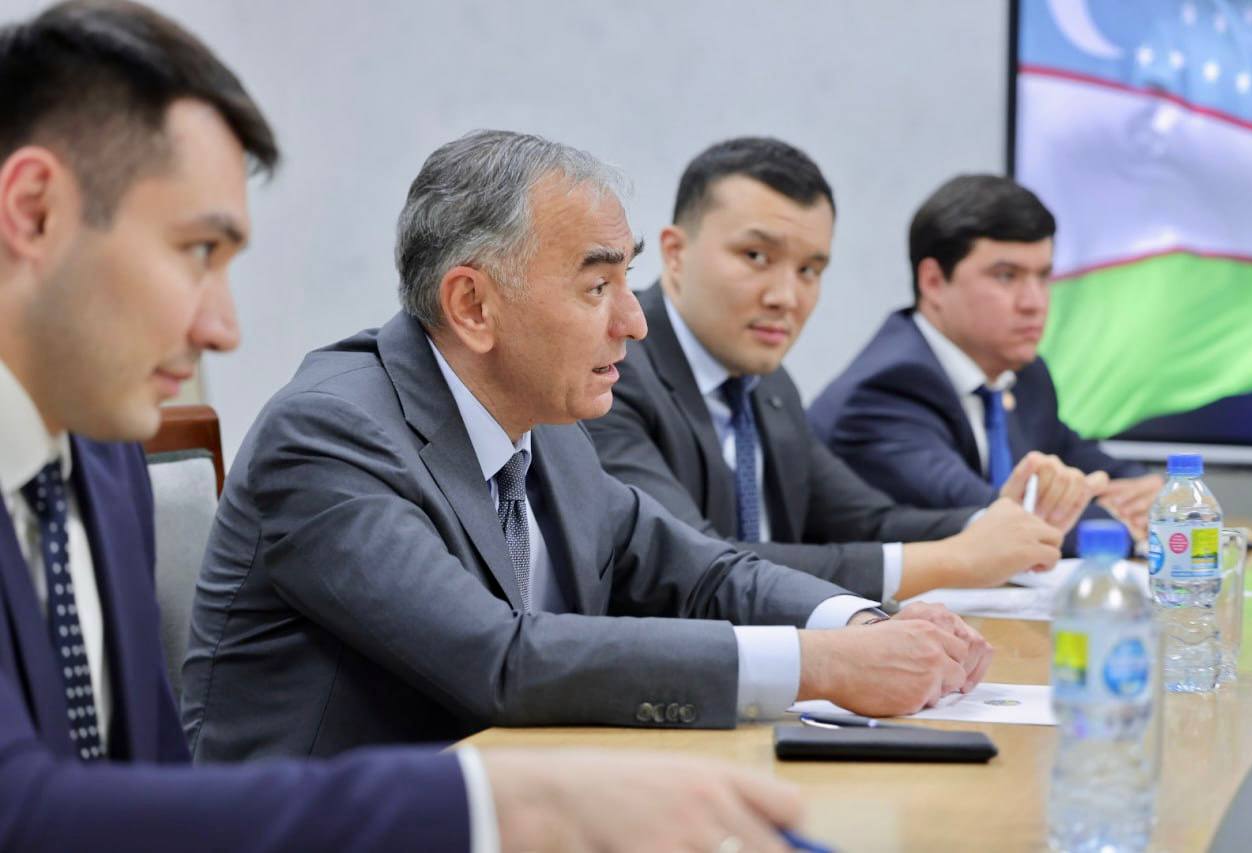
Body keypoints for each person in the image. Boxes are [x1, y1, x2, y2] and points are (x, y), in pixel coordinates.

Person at [0, 3, 809, 850]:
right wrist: (508, 804)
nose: (223, 328)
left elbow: (148, 785)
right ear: (34, 210)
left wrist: (843, 635)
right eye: (197, 251)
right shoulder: (327, 427)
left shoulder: (97, 461)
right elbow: (23, 811)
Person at [183, 129, 993, 764]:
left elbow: (701, 570)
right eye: (597, 286)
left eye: (625, 282)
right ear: (473, 306)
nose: (634, 321)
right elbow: (497, 658)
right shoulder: (330, 435)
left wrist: (857, 622)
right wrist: (818, 665)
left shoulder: (549, 429)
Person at [586, 137, 1073, 603]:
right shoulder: (612, 371)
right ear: (675, 253)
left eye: (809, 271)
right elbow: (698, 564)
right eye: (756, 257)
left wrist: (994, 525)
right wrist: (952, 560)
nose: (786, 297)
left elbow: (868, 522)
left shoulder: (767, 385)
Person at [808, 174, 1161, 550]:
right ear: (933, 282)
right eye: (1007, 277)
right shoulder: (885, 391)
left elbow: (1088, 463)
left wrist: (1154, 495)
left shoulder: (1024, 375)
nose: (1034, 302)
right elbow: (994, 519)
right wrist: (1125, 524)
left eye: (1043, 277)